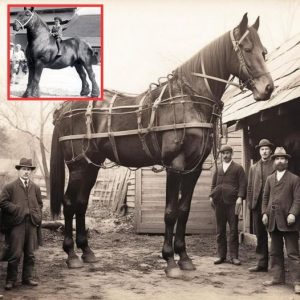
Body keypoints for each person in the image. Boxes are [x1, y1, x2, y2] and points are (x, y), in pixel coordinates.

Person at [262, 147, 300, 294]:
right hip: (273, 221)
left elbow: (298, 200)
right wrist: (264, 213)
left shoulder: (295, 179)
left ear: (287, 161)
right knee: (275, 251)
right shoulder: (270, 179)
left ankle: (297, 281)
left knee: (292, 253)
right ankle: (277, 278)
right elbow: (265, 198)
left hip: (289, 221)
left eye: (282, 158)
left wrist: (293, 214)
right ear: (274, 161)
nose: (279, 161)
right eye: (277, 158)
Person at [0, 158, 43, 290]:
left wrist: (36, 214)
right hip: (16, 224)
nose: (26, 172)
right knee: (15, 253)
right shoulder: (10, 187)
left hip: (31, 224)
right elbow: (3, 203)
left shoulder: (35, 188)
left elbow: (40, 204)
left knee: (30, 253)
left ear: (31, 172)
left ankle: (27, 278)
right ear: (19, 171)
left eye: (29, 170)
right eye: (24, 169)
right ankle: (11, 280)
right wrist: (19, 210)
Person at [210, 144, 247, 266]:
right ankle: (221, 255)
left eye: (227, 153)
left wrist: (240, 198)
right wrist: (211, 196)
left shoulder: (238, 168)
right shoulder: (218, 168)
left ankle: (234, 256)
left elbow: (243, 185)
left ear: (232, 154)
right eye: (223, 153)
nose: (225, 155)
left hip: (232, 203)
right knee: (220, 230)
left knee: (233, 230)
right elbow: (213, 184)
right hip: (219, 203)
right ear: (221, 155)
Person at [247, 139, 275, 272]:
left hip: (272, 205)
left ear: (271, 151)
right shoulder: (254, 167)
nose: (264, 151)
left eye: (266, 149)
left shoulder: (275, 165)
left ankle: (275, 265)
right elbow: (250, 187)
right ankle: (262, 263)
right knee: (260, 235)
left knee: (274, 234)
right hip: (257, 205)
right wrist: (250, 203)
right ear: (259, 151)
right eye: (262, 149)